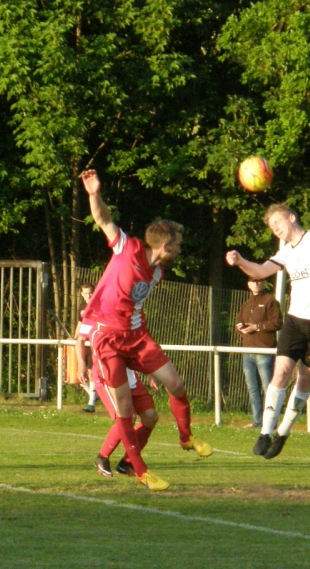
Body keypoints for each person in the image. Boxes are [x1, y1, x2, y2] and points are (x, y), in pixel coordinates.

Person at [80, 168, 212, 491]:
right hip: (107, 337)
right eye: (178, 245)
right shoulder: (129, 248)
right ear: (165, 245)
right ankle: (139, 470)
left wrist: (148, 364)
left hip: (136, 336)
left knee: (176, 383)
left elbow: (136, 309)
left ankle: (186, 437)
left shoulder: (157, 275)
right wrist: (94, 194)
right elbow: (103, 220)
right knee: (125, 408)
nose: (180, 250)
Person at [226, 204, 310, 459]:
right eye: (272, 227)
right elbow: (260, 271)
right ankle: (266, 432)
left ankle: (284, 432)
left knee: (304, 378)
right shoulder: (286, 251)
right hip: (295, 319)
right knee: (280, 372)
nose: (276, 229)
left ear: (292, 217)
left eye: (278, 222)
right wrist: (239, 261)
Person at [75, 315, 159, 477]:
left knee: (150, 417)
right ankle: (102, 457)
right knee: (128, 416)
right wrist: (82, 365)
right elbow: (80, 340)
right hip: (108, 378)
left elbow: (142, 343)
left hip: (131, 378)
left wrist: (150, 370)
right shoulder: (94, 316)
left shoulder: (131, 314)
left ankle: (126, 463)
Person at [236, 278, 281, 429]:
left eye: (259, 281)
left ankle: (271, 422)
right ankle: (257, 422)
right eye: (252, 281)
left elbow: (277, 323)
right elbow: (238, 323)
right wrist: (241, 328)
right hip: (247, 351)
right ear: (248, 284)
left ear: (263, 283)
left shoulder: (270, 301)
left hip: (264, 351)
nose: (256, 283)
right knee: (252, 388)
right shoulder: (246, 304)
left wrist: (257, 327)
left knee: (268, 387)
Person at [79, 283, 99, 413]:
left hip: (96, 343)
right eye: (85, 293)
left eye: (90, 292)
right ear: (82, 294)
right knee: (79, 373)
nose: (88, 295)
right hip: (85, 342)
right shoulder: (82, 308)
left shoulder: (100, 306)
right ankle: (95, 395)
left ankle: (91, 402)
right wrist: (75, 338)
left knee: (92, 372)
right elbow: (81, 324)